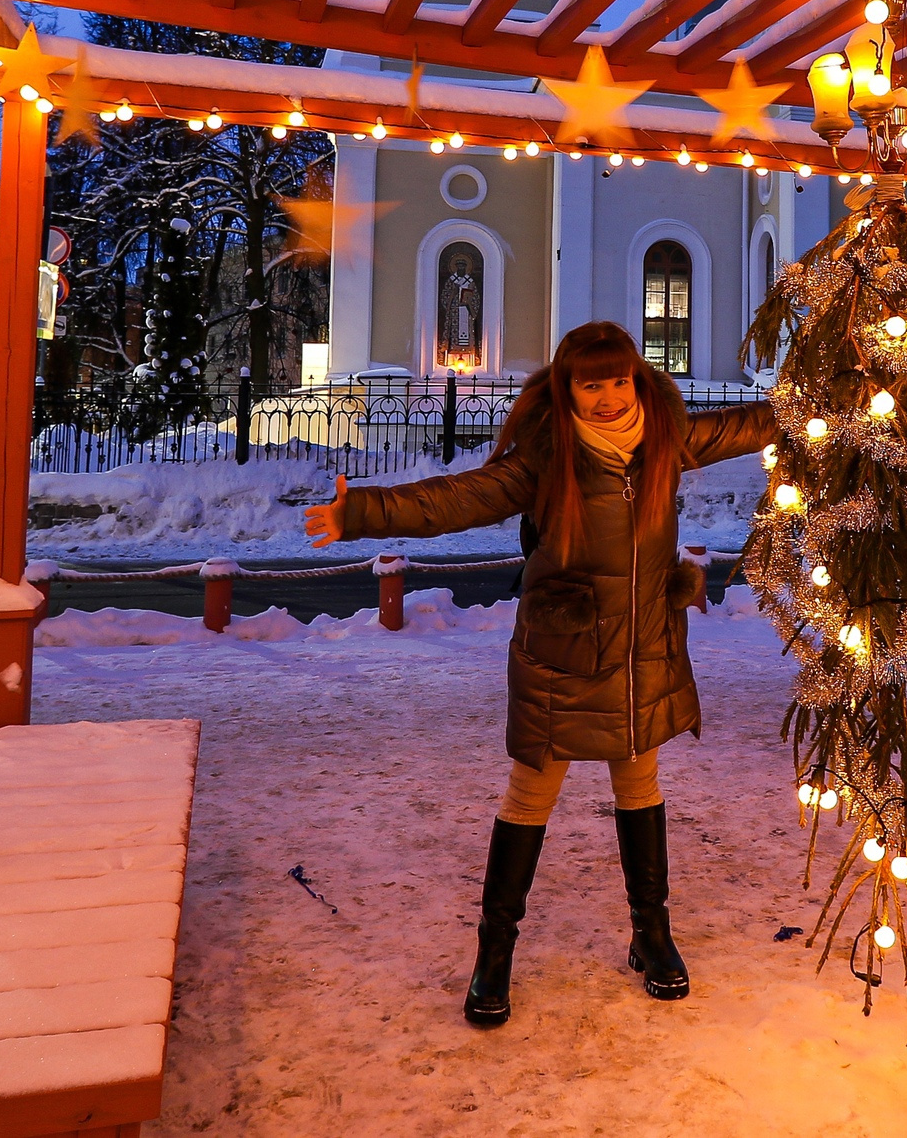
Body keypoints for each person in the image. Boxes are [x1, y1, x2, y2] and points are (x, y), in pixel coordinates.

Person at [303, 321, 772, 1027]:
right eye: (593, 384)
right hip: (563, 651)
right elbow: (457, 497)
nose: (610, 397)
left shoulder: (665, 441)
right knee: (532, 791)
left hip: (643, 650)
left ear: (637, 380)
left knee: (639, 783)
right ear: (568, 388)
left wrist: (844, 388)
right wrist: (361, 510)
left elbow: (754, 422)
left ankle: (651, 934)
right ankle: (495, 953)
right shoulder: (548, 457)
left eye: (619, 380)